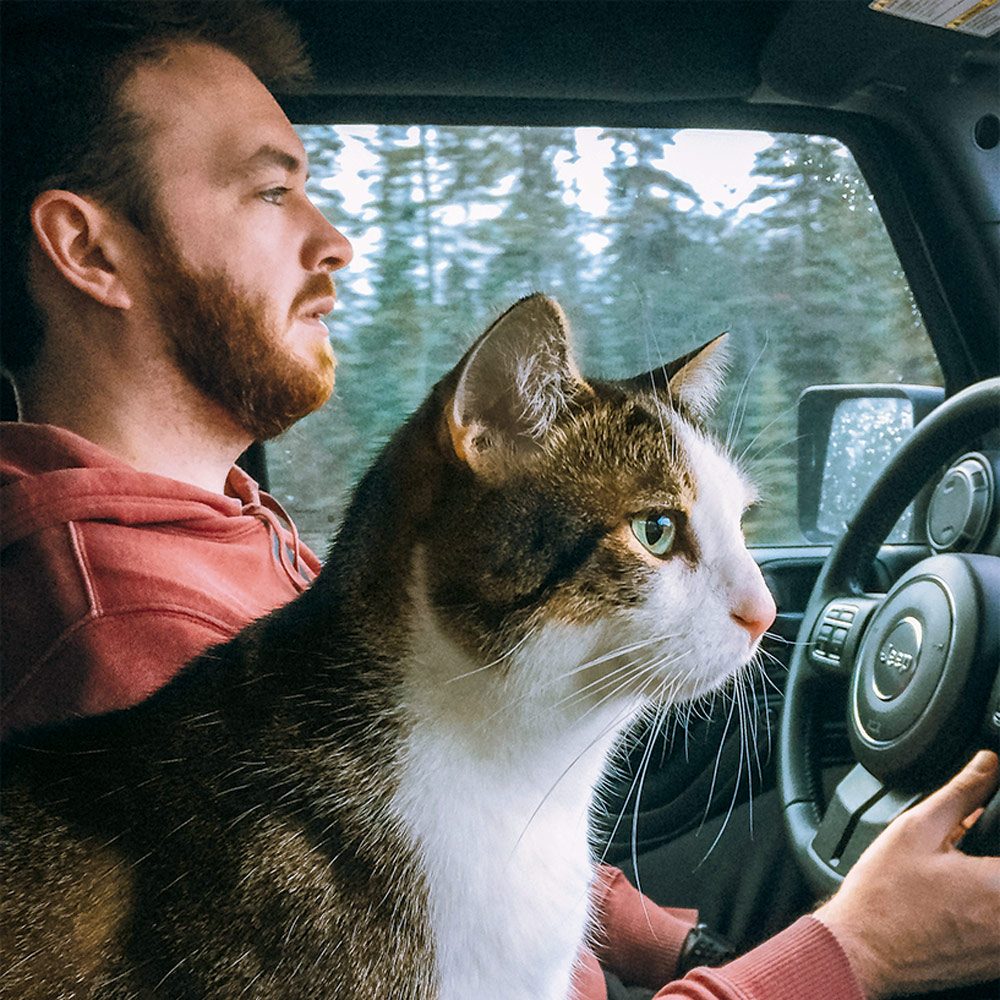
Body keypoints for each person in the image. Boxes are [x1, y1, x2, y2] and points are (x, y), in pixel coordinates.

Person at [1, 4, 997, 999]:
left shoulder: (220, 523)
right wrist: (852, 952)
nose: (335, 241)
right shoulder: (124, 627)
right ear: (90, 252)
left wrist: (674, 943)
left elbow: (480, 788)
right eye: (270, 192)